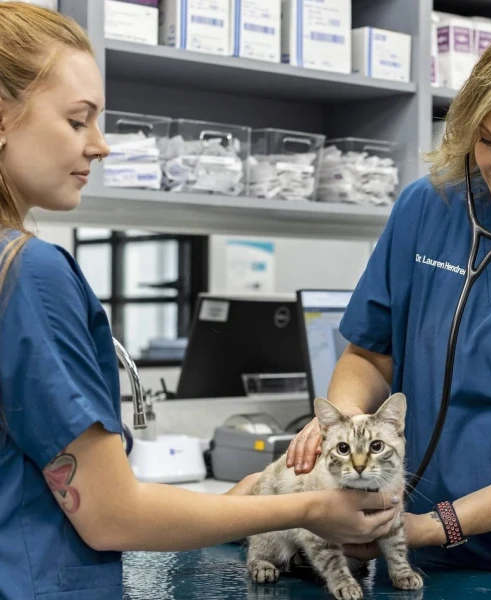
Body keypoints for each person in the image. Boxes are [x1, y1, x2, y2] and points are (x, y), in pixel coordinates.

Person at [0, 4, 401, 600]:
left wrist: (238, 501)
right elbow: (112, 516)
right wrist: (313, 508)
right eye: (78, 121)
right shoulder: (31, 274)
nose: (102, 146)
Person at [287, 9, 491, 588]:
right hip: (411, 553)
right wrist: (350, 431)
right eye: (488, 141)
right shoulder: (429, 207)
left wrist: (436, 525)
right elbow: (368, 356)